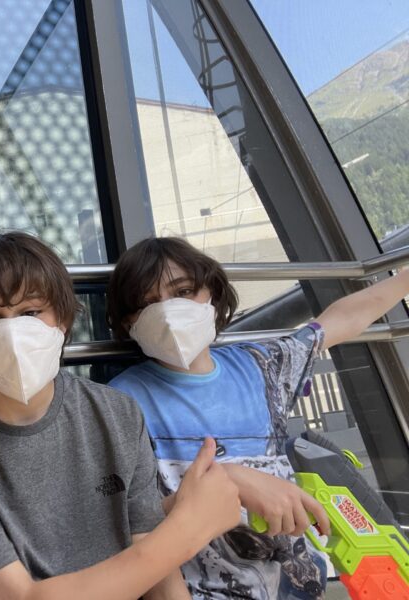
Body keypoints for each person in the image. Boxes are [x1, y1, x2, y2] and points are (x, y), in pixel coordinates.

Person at [0, 231, 243, 600]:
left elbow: (159, 575)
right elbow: (19, 596)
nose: (13, 332)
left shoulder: (117, 414)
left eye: (31, 312)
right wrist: (189, 528)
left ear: (62, 321)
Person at [106, 236, 409, 599]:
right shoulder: (118, 403)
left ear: (212, 295)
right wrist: (227, 483)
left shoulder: (262, 367)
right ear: (128, 324)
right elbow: (115, 523)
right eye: (147, 303)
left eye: (183, 291)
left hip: (296, 585)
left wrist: (403, 279)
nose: (168, 312)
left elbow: (340, 319)